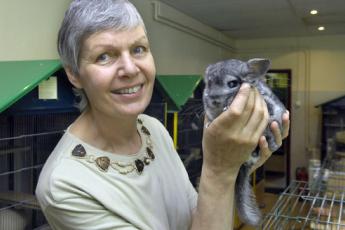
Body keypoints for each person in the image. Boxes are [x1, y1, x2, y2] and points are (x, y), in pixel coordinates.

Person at [35, 0, 290, 229]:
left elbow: (197, 217)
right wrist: (219, 170)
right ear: (74, 74)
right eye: (104, 56)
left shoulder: (152, 128)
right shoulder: (64, 186)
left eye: (138, 49)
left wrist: (235, 161)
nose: (130, 68)